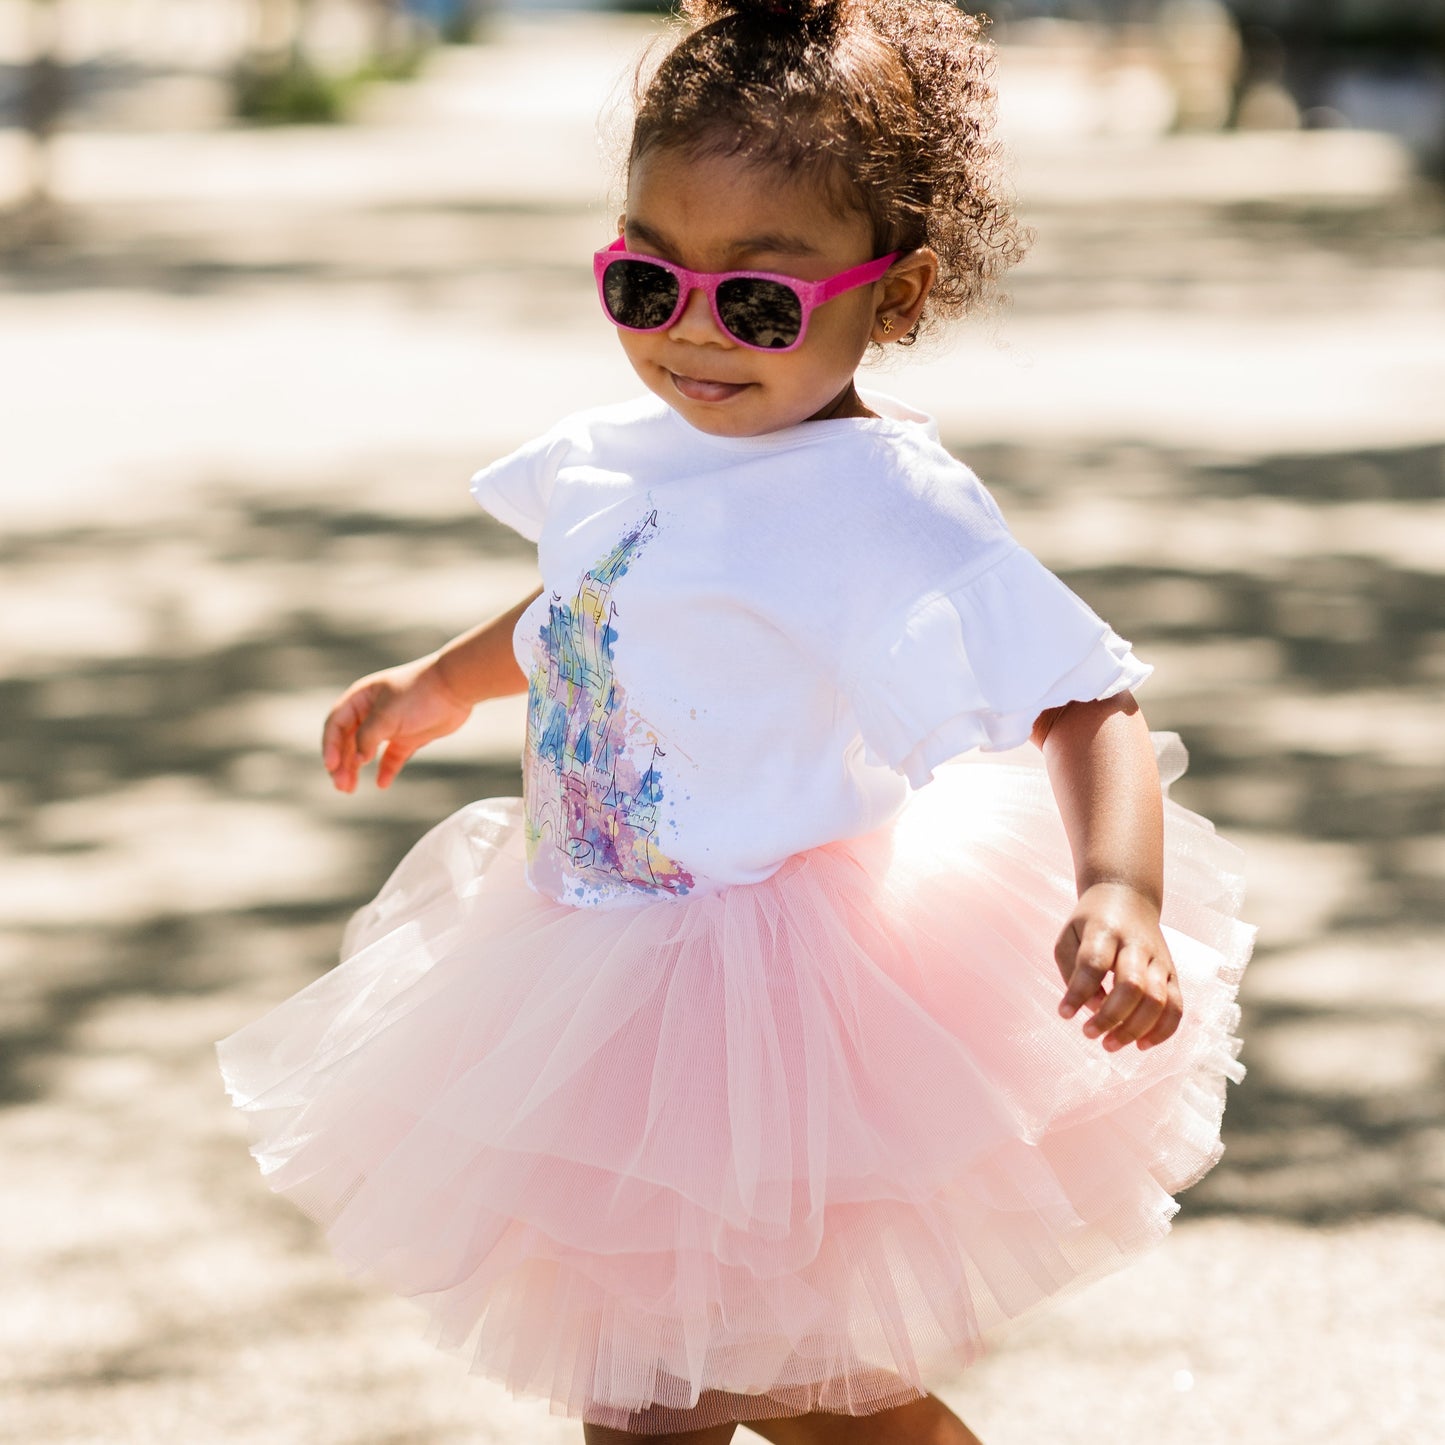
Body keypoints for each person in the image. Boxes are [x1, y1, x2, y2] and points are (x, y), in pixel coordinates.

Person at [216, 2, 1253, 1440]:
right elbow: (590, 608)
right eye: (647, 284)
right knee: (639, 1392)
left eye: (759, 302)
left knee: (817, 1395)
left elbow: (1078, 691)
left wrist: (1117, 890)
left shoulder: (883, 504)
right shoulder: (629, 457)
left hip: (772, 999)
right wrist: (440, 684)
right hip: (593, 967)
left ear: (891, 298)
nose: (694, 338)